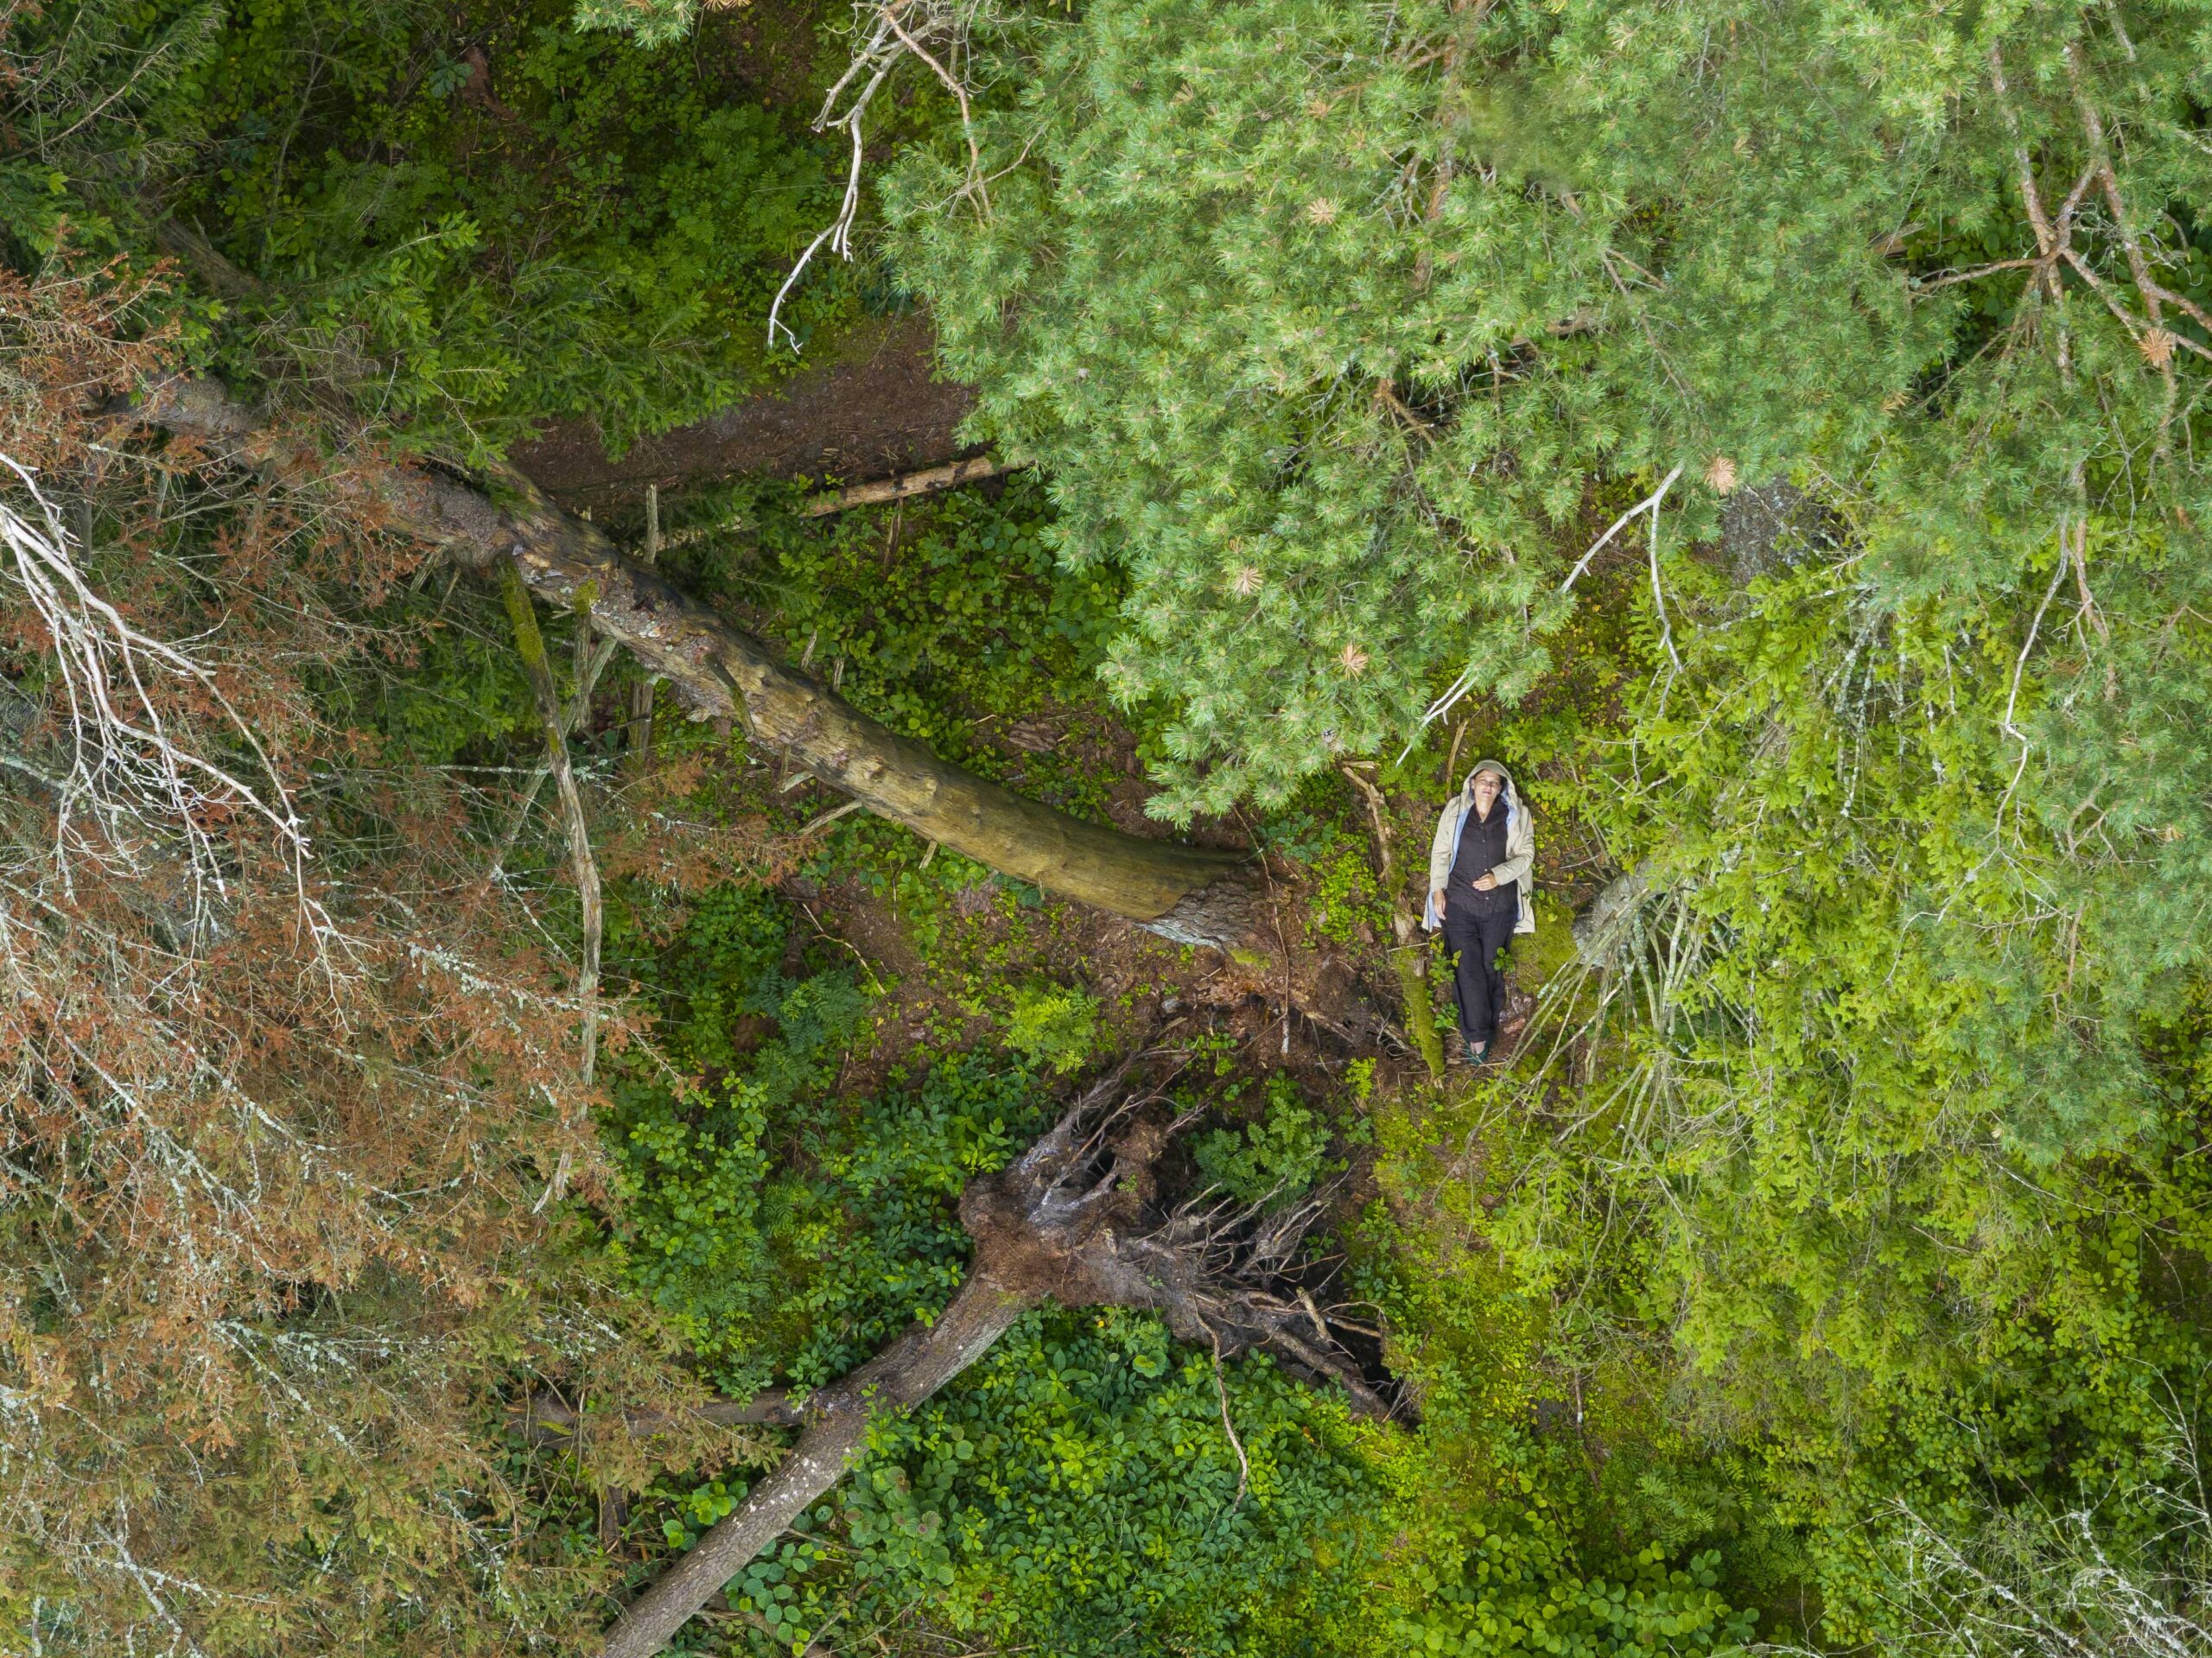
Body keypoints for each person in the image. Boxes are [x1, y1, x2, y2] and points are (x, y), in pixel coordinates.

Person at [1422, 760, 1535, 1064]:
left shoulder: (1515, 815)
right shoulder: (1456, 812)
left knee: (1490, 966)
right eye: (1483, 780)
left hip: (1499, 906)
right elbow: (1441, 851)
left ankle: (1487, 1026)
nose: (1488, 786)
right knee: (1468, 967)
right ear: (1472, 783)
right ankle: (1477, 1036)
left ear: (1501, 788)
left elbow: (1526, 855)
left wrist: (1499, 875)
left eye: (1494, 782)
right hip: (1459, 903)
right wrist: (1436, 890)